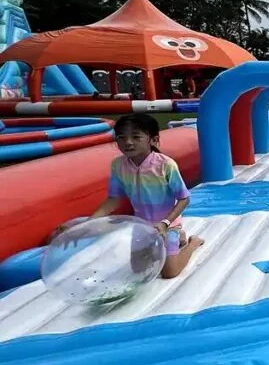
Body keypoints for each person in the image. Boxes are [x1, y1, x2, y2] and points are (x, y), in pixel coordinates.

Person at [69, 114, 204, 279]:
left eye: (136, 137)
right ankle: (176, 240)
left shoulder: (165, 165)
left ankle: (192, 242)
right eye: (121, 137)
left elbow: (184, 198)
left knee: (169, 272)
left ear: (153, 140)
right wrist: (89, 223)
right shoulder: (118, 165)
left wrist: (165, 224)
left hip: (167, 224)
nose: (128, 142)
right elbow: (114, 199)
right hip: (142, 226)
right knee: (138, 271)